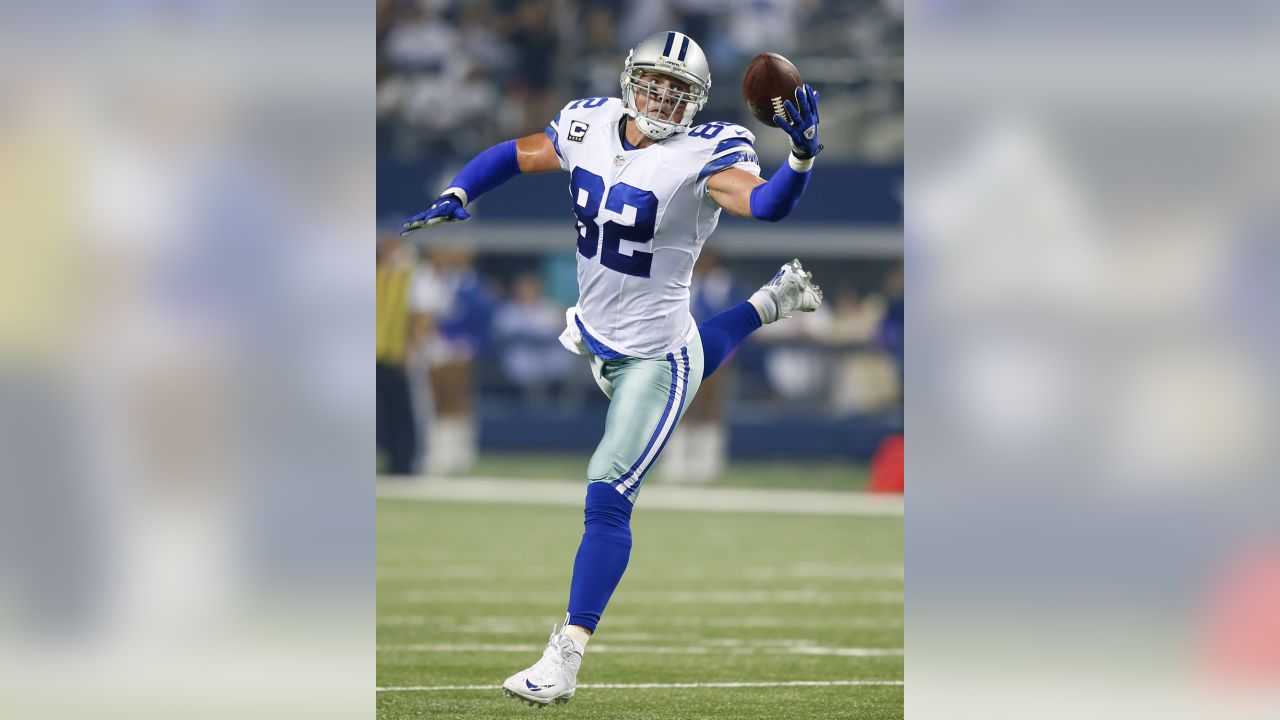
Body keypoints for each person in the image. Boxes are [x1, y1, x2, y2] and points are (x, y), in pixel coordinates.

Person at [402, 30, 824, 706]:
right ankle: (770, 301)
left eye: (678, 90)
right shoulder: (589, 121)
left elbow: (766, 205)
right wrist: (460, 193)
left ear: (696, 101)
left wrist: (799, 157)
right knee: (692, 355)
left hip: (653, 358)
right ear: (631, 80)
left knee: (608, 490)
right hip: (596, 337)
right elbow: (516, 154)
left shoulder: (706, 153)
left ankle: (564, 655)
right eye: (655, 83)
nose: (663, 98)